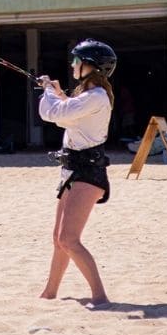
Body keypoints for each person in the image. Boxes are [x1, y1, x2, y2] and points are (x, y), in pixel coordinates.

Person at [36, 39, 116, 308]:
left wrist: (48, 90)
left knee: (69, 239)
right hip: (72, 171)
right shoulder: (89, 97)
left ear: (91, 66)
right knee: (58, 239)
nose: (72, 65)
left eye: (76, 61)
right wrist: (59, 94)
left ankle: (100, 296)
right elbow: (69, 114)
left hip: (88, 172)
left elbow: (53, 114)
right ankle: (49, 293)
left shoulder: (97, 97)